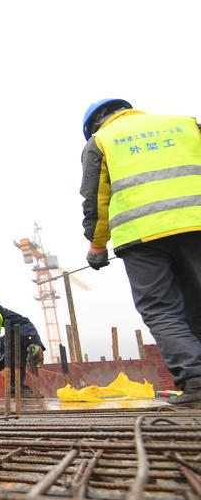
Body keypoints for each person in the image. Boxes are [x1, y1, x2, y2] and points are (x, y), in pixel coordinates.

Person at [80, 99, 201, 408]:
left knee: (162, 309)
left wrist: (97, 245)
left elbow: (96, 199)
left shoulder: (101, 141)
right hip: (197, 223)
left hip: (141, 238)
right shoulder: (185, 124)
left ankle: (195, 378)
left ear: (95, 124)